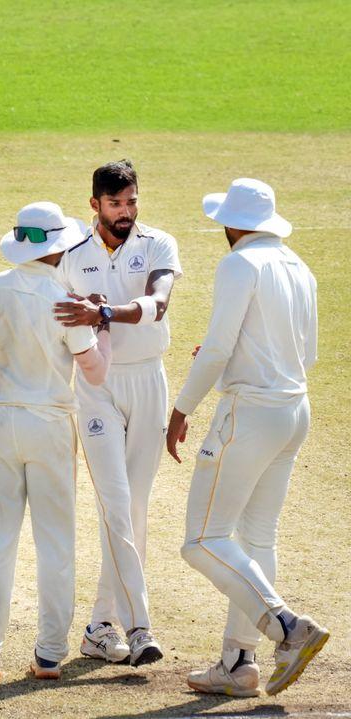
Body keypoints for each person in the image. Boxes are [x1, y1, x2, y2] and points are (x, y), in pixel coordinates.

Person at [168, 178, 326, 697]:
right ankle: (239, 665)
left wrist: (181, 409)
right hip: (292, 412)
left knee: (203, 540)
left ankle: (286, 627)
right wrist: (236, 361)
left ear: (234, 223)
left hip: (250, 414)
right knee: (257, 539)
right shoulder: (299, 267)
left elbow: (216, 349)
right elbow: (305, 356)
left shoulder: (240, 263)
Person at [0, 202, 112, 681]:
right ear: (59, 246)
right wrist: (101, 328)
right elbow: (96, 371)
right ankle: (49, 652)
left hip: (2, 422)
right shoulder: (66, 299)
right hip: (49, 424)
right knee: (55, 541)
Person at [53, 160, 180, 666]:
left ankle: (100, 626)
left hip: (149, 377)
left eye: (131, 202)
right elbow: (57, 320)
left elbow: (160, 301)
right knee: (116, 502)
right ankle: (136, 627)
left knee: (136, 506)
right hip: (96, 385)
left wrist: (103, 311)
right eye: (115, 204)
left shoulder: (158, 243)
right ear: (95, 205)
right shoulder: (71, 255)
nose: (126, 212)